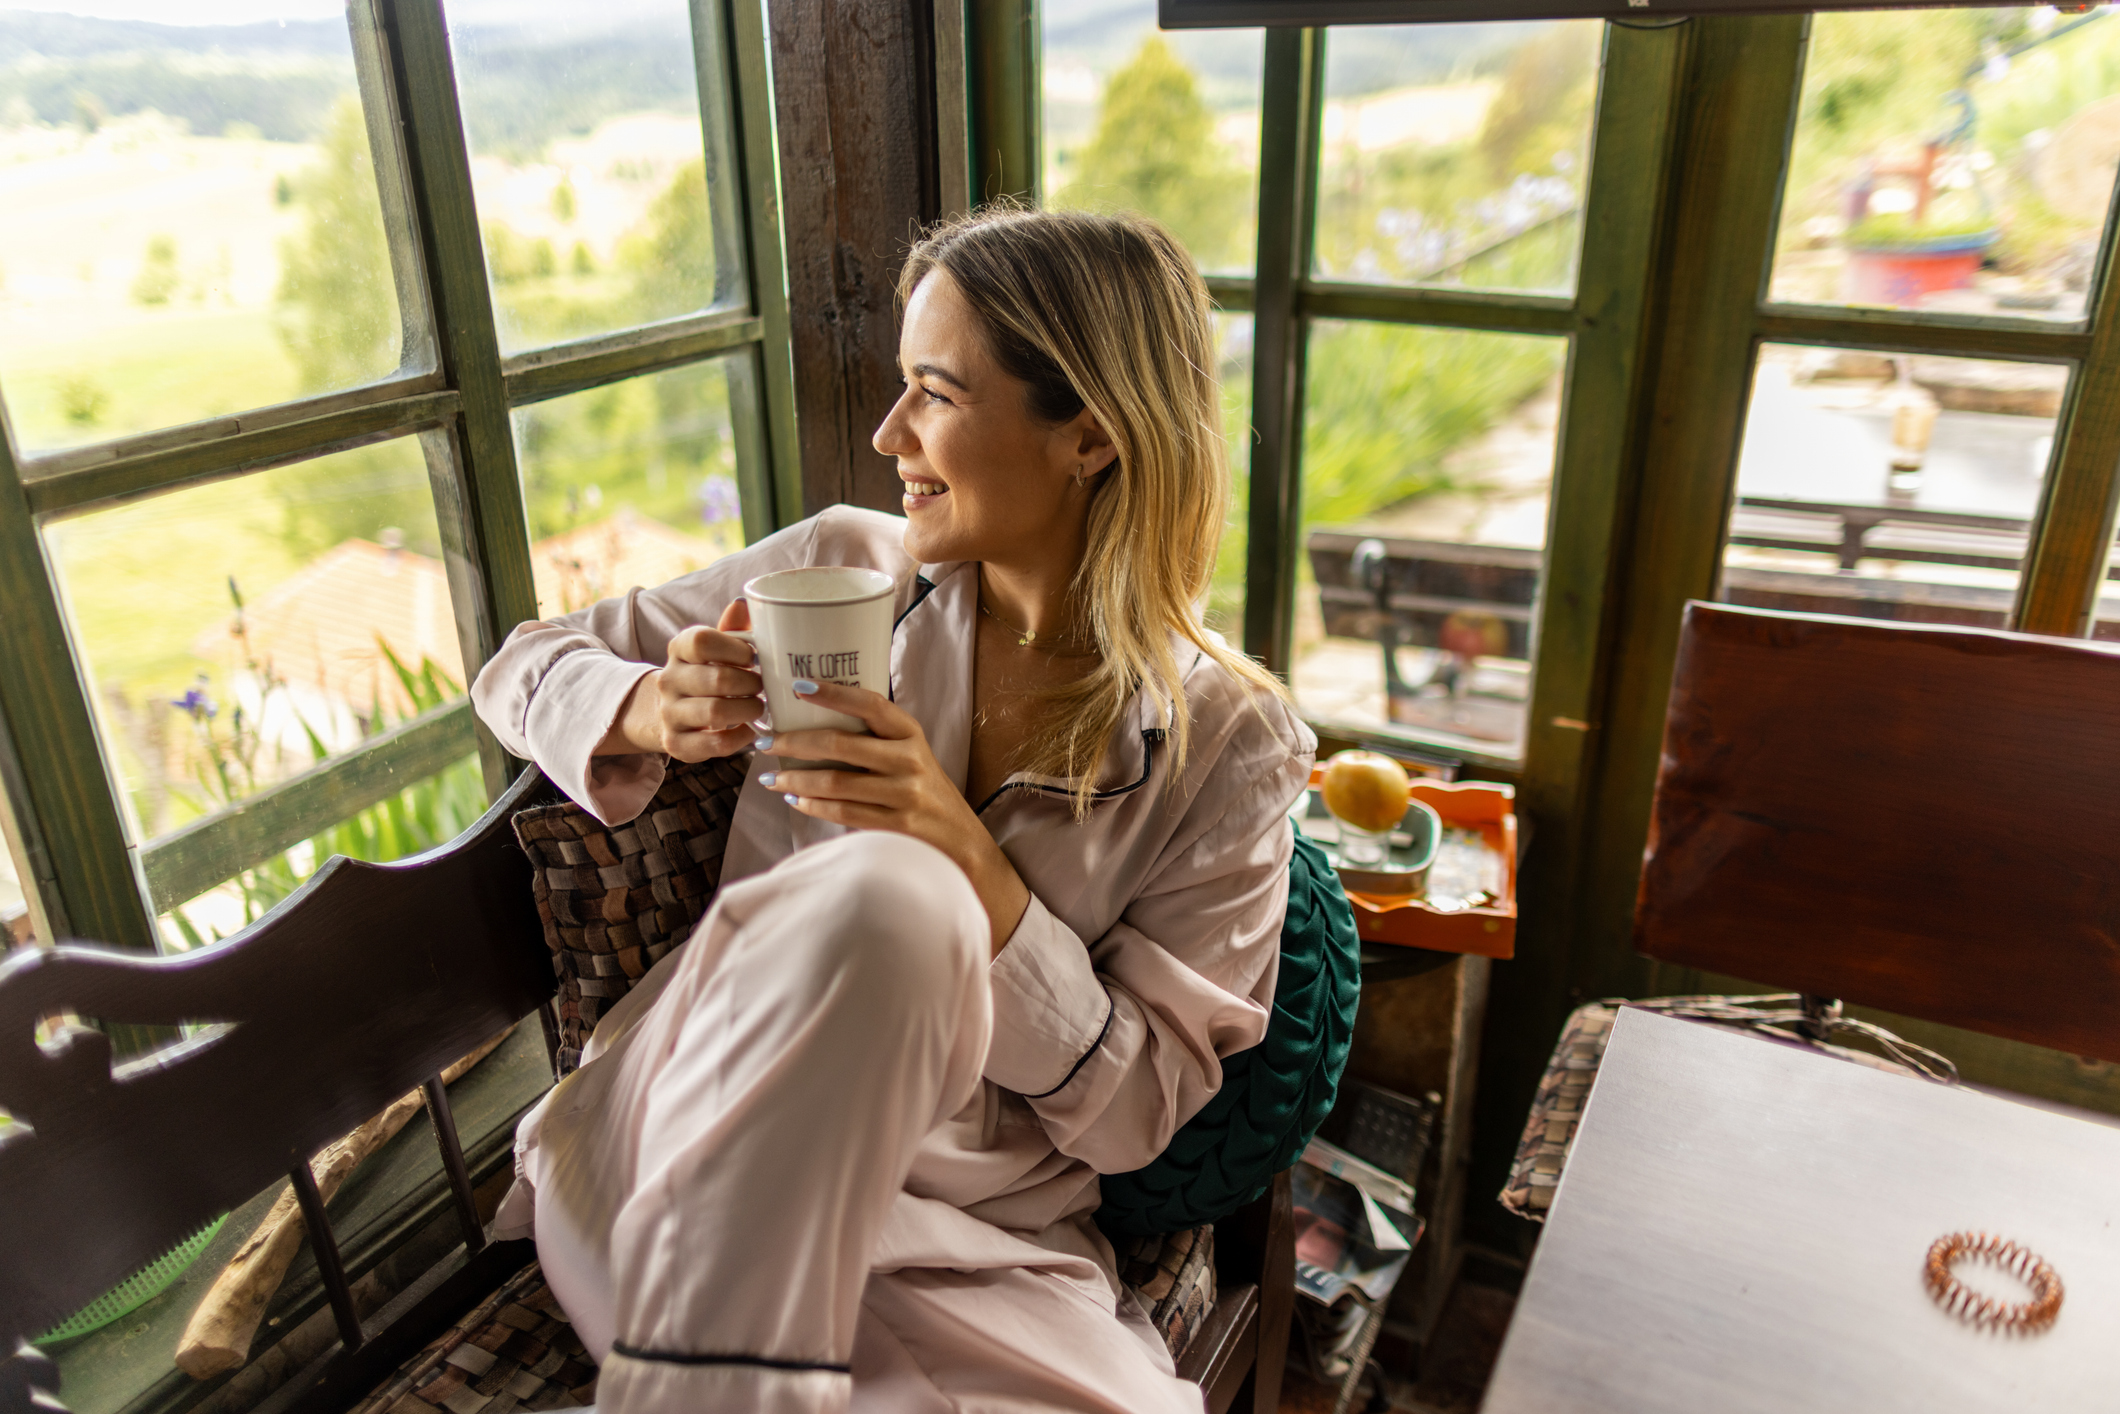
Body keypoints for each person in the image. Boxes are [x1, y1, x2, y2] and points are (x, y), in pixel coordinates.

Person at [471, 206, 1316, 1414]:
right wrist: (649, 705)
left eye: (933, 392)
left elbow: (1135, 1112)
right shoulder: (838, 571)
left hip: (967, 1245)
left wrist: (973, 865)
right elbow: (522, 661)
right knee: (890, 895)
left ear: (1088, 434)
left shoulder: (1227, 741)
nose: (886, 435)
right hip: (691, 1142)